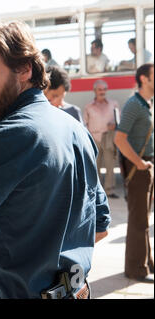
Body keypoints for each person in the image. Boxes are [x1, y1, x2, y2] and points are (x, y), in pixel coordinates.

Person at [0, 20, 110, 299]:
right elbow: (100, 228)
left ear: (25, 68)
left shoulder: (4, 136)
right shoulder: (75, 128)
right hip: (77, 292)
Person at [114, 63, 154, 282]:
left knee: (144, 218)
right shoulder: (134, 105)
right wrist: (139, 163)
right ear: (144, 79)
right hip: (138, 168)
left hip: (146, 165)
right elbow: (119, 139)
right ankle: (135, 269)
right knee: (138, 220)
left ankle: (147, 262)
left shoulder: (146, 103)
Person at [84, 80, 120, 199]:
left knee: (110, 165)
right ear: (95, 91)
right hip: (94, 138)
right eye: (100, 89)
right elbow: (84, 124)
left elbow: (119, 121)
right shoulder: (88, 106)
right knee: (95, 166)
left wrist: (115, 124)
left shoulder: (114, 104)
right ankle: (96, 192)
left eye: (104, 89)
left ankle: (110, 191)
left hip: (109, 137)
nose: (102, 92)